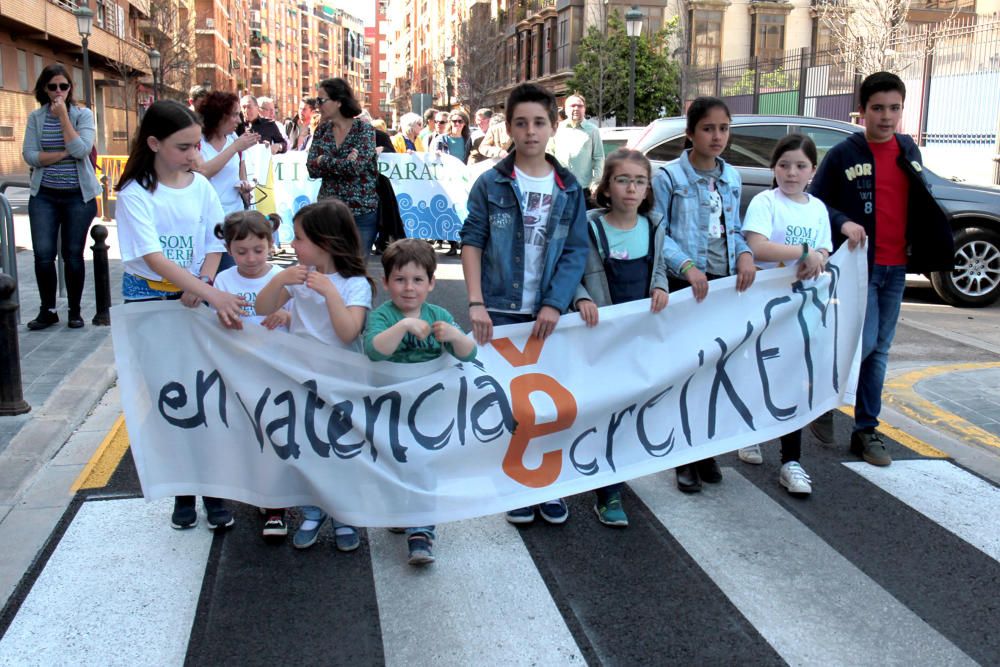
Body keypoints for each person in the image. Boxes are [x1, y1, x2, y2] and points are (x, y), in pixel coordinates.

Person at [808, 71, 954, 466]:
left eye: (895, 108)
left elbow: (919, 201)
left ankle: (866, 430)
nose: (886, 117)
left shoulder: (909, 150)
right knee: (866, 342)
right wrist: (843, 222)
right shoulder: (843, 154)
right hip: (859, 269)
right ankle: (824, 397)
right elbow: (816, 203)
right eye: (878, 108)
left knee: (880, 351)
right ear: (862, 111)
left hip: (897, 267)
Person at [460, 83, 589, 526]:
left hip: (549, 314)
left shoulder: (569, 188)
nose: (530, 131)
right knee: (512, 402)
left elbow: (575, 251)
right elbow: (472, 241)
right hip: (500, 307)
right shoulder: (491, 183)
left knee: (552, 401)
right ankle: (519, 483)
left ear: (553, 126)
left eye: (538, 122)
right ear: (508, 128)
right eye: (521, 122)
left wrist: (556, 302)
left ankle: (548, 484)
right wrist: (476, 302)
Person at [115, 100, 246, 530]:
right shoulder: (135, 194)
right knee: (170, 398)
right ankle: (183, 492)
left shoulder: (200, 187)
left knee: (206, 395)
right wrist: (203, 289)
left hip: (195, 301)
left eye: (195, 147)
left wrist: (205, 281)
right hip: (151, 306)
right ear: (154, 143)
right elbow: (152, 258)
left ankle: (214, 491)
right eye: (185, 147)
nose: (195, 156)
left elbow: (215, 239)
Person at [255, 199, 374, 552]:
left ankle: (344, 515)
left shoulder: (354, 284)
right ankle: (311, 511)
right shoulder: (298, 276)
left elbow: (348, 332)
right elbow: (263, 308)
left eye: (300, 239)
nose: (294, 245)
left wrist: (330, 294)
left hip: (342, 384)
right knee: (304, 445)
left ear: (325, 242)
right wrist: (279, 279)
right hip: (300, 379)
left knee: (340, 448)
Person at [652, 96, 756, 493]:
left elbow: (736, 226)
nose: (717, 136)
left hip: (723, 283)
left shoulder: (731, 177)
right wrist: (686, 267)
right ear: (691, 133)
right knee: (687, 370)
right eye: (709, 128)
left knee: (715, 370)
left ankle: (705, 450)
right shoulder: (669, 179)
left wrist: (744, 254)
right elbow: (659, 231)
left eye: (724, 128)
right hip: (686, 285)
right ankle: (682, 455)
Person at [363, 239, 477, 565]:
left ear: (431, 283)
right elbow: (374, 350)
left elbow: (469, 354)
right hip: (390, 410)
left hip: (429, 411)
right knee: (395, 465)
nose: (409, 288)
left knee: (423, 467)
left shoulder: (438, 314)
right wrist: (402, 325)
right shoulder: (383, 316)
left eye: (417, 280)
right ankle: (402, 510)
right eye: (400, 280)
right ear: (386, 283)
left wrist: (455, 336)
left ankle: (421, 532)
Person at [574, 148, 669, 526]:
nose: (631, 188)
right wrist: (581, 298)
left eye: (639, 181)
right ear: (607, 187)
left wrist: (661, 284)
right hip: (599, 336)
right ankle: (606, 489)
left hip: (638, 337)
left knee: (629, 408)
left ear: (648, 190)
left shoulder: (654, 225)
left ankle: (612, 478)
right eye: (622, 180)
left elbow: (659, 265)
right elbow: (569, 272)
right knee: (600, 408)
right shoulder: (589, 226)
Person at [737, 134, 833, 495]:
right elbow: (758, 246)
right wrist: (805, 251)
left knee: (793, 378)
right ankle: (750, 431)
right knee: (757, 371)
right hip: (762, 306)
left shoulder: (818, 208)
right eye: (783, 165)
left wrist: (818, 254)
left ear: (812, 170)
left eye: (800, 166)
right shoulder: (765, 201)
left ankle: (791, 460)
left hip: (801, 308)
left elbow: (825, 247)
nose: (791, 173)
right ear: (774, 168)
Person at [21, 63, 101, 330]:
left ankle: (75, 312)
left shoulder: (83, 115)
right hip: (44, 196)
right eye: (53, 86)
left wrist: (64, 119)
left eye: (63, 87)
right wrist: (63, 154)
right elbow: (30, 155)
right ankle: (48, 310)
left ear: (70, 88)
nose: (58, 92)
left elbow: (81, 150)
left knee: (73, 254)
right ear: (44, 88)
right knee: (43, 255)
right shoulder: (36, 118)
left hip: (77, 197)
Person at [306, 77, 379, 258]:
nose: (317, 105)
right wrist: (343, 162)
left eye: (321, 100)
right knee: (327, 270)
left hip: (360, 212)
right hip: (327, 212)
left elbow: (356, 168)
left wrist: (324, 160)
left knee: (356, 273)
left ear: (338, 101)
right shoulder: (322, 131)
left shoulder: (364, 130)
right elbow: (311, 168)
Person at [548, 94, 604, 205]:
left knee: (582, 221)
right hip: (560, 187)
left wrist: (595, 182)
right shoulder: (556, 128)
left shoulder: (593, 130)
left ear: (584, 109)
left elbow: (599, 158)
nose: (576, 109)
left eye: (580, 106)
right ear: (565, 109)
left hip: (583, 189)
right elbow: (548, 155)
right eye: (572, 106)